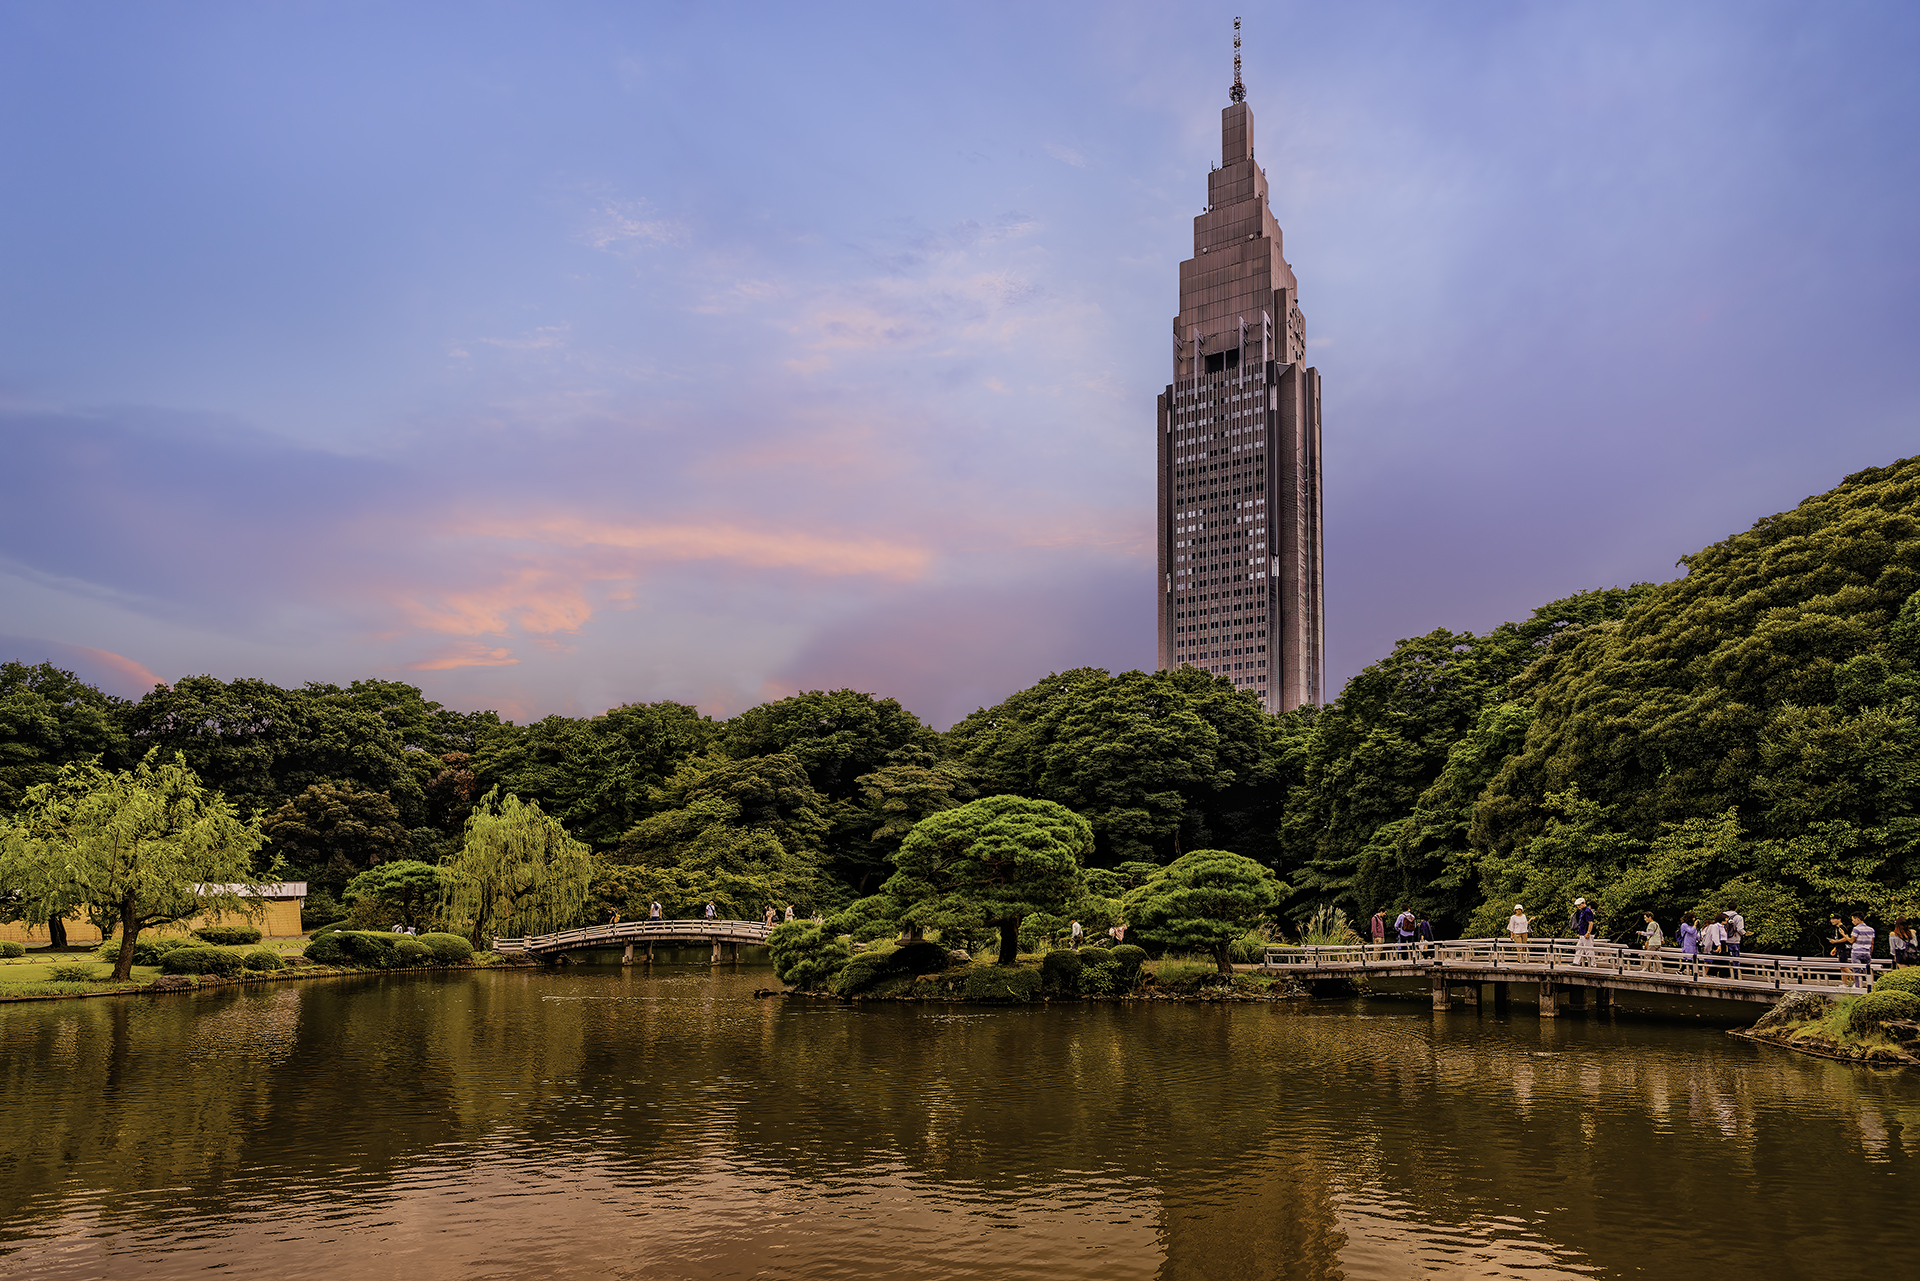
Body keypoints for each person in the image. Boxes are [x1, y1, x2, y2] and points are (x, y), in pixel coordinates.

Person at [1849, 913, 1876, 987]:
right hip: (1867, 951)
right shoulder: (1871, 929)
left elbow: (1852, 940)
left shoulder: (1856, 929)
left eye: (1853, 919)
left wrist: (1845, 936)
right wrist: (1870, 952)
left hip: (1857, 951)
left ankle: (1857, 985)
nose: (1852, 921)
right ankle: (1870, 985)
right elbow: (1872, 943)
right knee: (1867, 970)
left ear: (1858, 919)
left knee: (1857, 970)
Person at [1570, 897, 1597, 966]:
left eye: (1579, 905)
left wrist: (1588, 932)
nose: (1578, 906)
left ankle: (1593, 964)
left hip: (1586, 933)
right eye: (1577, 905)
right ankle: (1576, 962)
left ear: (1584, 903)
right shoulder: (1581, 911)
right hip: (1582, 933)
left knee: (1588, 949)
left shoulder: (1587, 911)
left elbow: (1590, 923)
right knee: (1579, 948)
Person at [1701, 913, 1728, 978]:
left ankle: (1722, 974)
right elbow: (1715, 936)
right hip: (1718, 944)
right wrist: (1718, 945)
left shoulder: (1723, 927)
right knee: (1718, 960)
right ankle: (1712, 974)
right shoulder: (1716, 926)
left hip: (1723, 943)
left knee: (1723, 960)